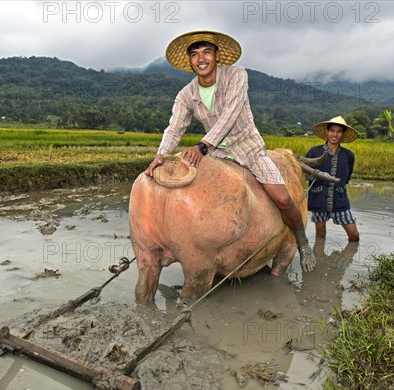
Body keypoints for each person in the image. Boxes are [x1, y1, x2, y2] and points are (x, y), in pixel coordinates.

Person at [144, 30, 315, 273]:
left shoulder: (236, 75)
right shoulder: (186, 94)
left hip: (248, 148)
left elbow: (231, 113)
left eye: (206, 52)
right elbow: (174, 128)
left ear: (217, 55)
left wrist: (203, 146)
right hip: (217, 156)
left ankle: (302, 242)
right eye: (194, 54)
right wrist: (160, 155)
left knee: (283, 199)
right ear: (190, 61)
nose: (201, 58)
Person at [306, 116, 360, 241]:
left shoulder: (348, 155)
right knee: (320, 235)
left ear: (343, 134)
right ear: (327, 132)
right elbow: (305, 174)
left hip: (340, 201)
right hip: (319, 199)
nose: (335, 134)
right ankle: (320, 259)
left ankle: (345, 260)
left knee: (354, 236)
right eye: (332, 131)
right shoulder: (314, 152)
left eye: (339, 131)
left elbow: (347, 177)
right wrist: (315, 174)